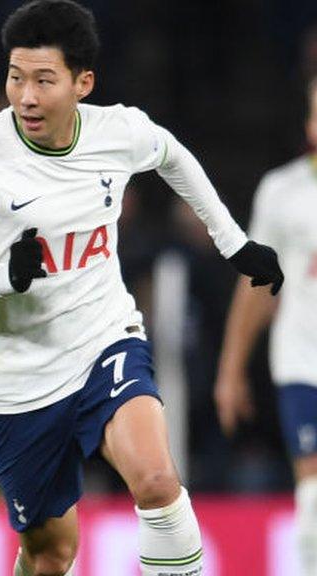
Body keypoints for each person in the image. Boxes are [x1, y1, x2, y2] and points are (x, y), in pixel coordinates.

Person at [0, 1, 284, 575]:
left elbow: (174, 156)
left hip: (105, 335)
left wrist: (233, 242)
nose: (26, 96)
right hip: (19, 373)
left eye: (43, 80)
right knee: (51, 552)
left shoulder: (118, 130)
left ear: (83, 83)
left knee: (156, 481)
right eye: (15, 77)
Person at [215, 78, 317, 576]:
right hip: (303, 360)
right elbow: (258, 286)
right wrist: (231, 369)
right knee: (314, 494)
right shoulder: (282, 191)